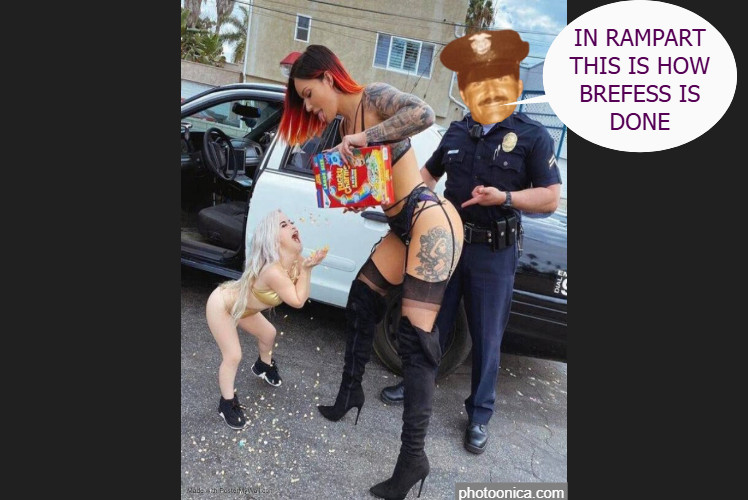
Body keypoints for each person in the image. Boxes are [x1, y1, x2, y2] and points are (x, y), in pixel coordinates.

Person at [278, 45, 464, 499]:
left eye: (308, 94)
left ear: (327, 78)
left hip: (430, 220)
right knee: (361, 299)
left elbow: (423, 113)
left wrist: (364, 139)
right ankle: (350, 394)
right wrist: (356, 192)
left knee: (415, 341)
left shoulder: (374, 97)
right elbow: (383, 181)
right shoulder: (343, 127)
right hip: (402, 225)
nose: (309, 107)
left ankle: (413, 460)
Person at [379, 29, 562, 455]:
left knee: (486, 335)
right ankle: (415, 384)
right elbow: (426, 177)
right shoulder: (458, 132)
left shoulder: (532, 136)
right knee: (430, 321)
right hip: (449, 245)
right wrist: (399, 203)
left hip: (493, 252)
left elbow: (551, 197)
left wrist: (506, 198)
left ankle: (479, 415)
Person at [205, 209, 328, 430]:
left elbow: (300, 282)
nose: (292, 225)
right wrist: (307, 270)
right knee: (233, 355)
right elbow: (298, 300)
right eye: (284, 225)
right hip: (222, 306)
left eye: (291, 222)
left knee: (269, 334)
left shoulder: (295, 261)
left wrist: (306, 266)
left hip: (244, 309)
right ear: (272, 240)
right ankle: (226, 403)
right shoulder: (273, 271)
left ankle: (262, 365)